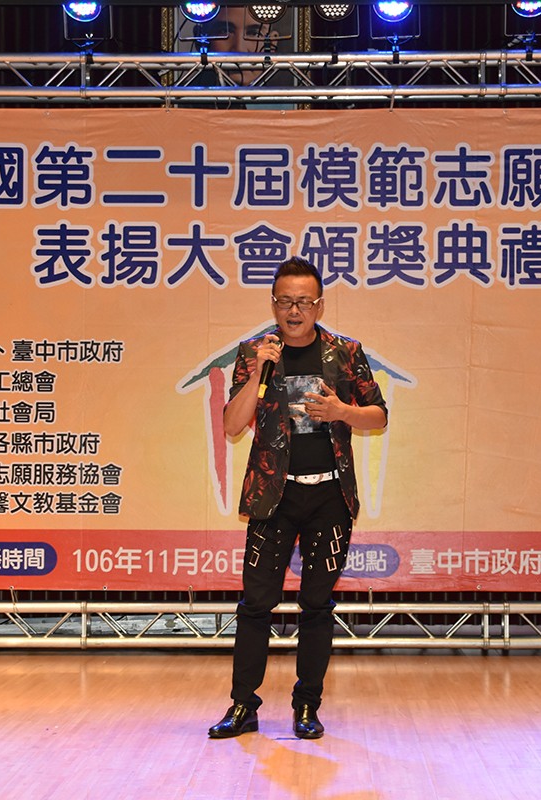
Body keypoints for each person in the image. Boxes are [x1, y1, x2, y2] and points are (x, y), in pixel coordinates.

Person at [208, 257, 388, 741]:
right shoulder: (254, 353)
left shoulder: (345, 352)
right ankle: (243, 706)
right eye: (285, 301)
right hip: (274, 496)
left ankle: (307, 705)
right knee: (255, 604)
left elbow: (379, 415)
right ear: (273, 304)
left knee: (316, 605)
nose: (294, 311)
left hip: (330, 497)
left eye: (303, 302)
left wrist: (342, 410)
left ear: (319, 306)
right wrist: (257, 374)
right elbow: (231, 425)